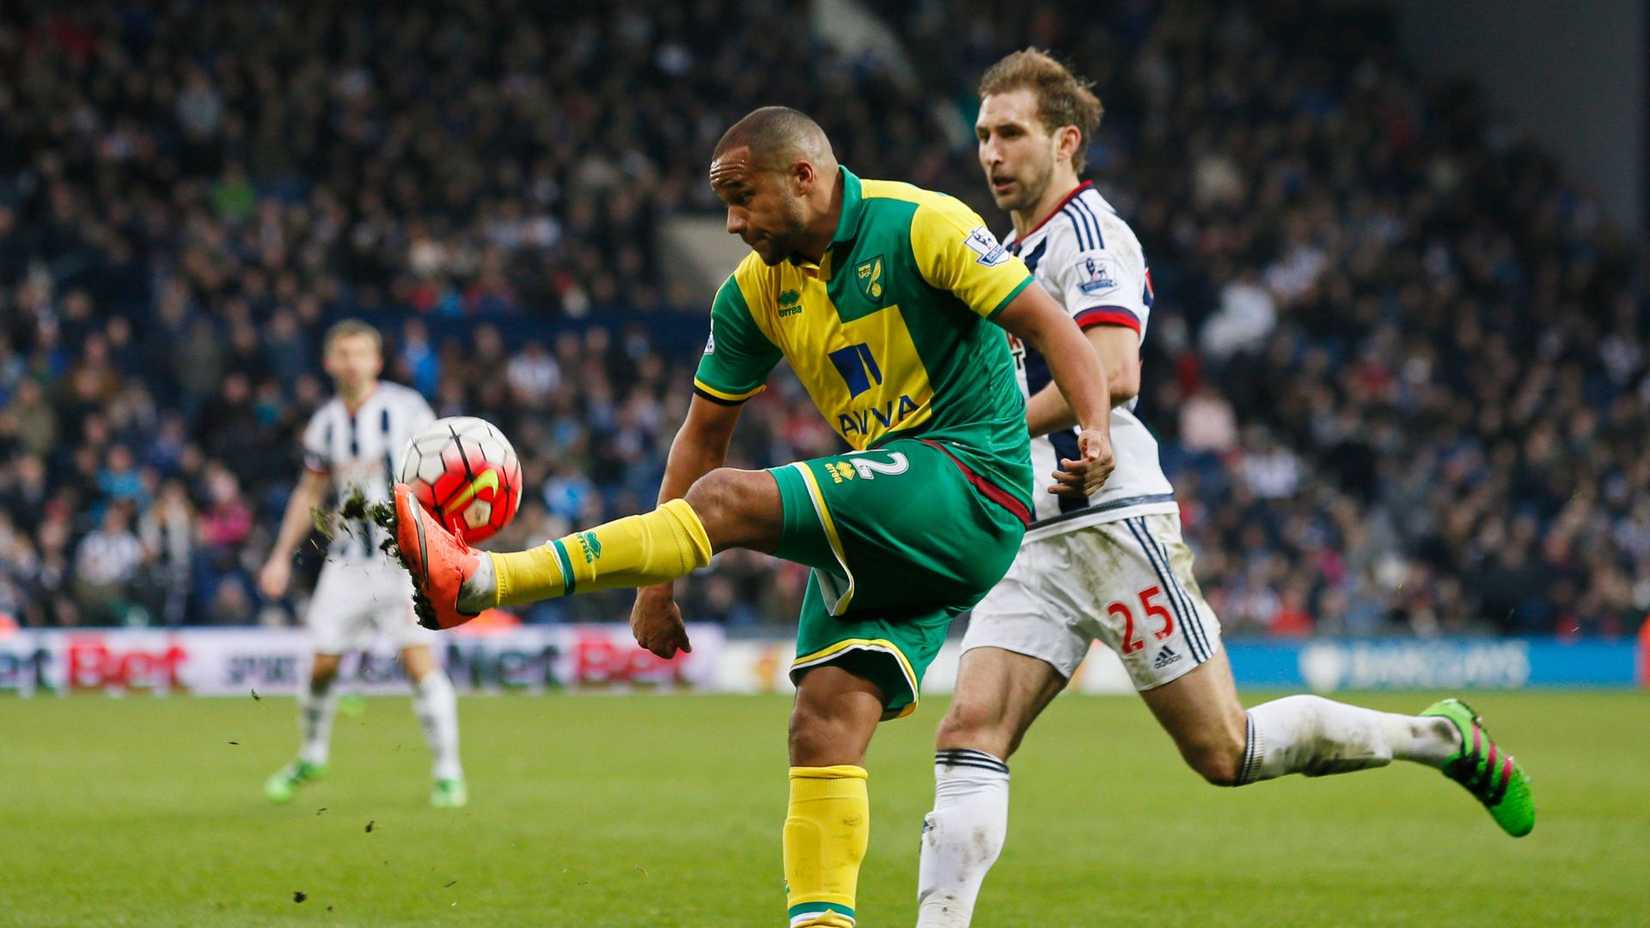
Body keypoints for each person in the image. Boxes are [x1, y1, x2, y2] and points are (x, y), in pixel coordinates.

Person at [389, 106, 1116, 927]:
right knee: (823, 727)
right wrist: (655, 587)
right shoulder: (754, 294)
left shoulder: (922, 226)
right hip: (895, 519)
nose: (732, 223)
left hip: (969, 481)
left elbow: (1055, 328)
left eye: (743, 198)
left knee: (731, 500)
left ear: (805, 175)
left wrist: (1091, 430)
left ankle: (483, 578)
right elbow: (702, 432)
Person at [913, 50, 1535, 928]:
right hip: (1034, 529)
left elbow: (1115, 369)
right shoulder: (1012, 249)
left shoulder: (1091, 237)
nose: (990, 153)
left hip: (1111, 522)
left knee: (1224, 749)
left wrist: (993, 432)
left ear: (1065, 140)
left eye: (1009, 133)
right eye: (981, 135)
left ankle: (1435, 737)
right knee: (970, 733)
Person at [257, 320, 467, 808]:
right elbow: (309, 492)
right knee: (321, 666)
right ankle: (311, 754)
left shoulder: (408, 408)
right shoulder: (325, 423)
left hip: (404, 561)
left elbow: (443, 470)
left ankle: (448, 772)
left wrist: (443, 538)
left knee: (419, 663)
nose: (352, 362)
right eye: (343, 354)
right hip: (348, 560)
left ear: (376, 361)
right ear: (330, 362)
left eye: (361, 353)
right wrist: (279, 557)